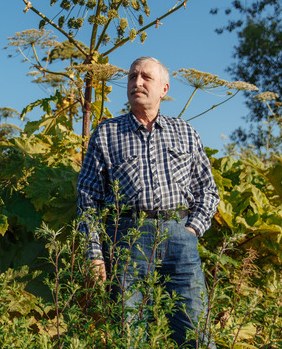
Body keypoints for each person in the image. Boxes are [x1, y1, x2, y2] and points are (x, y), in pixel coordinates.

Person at [77, 56, 219, 348]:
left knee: (196, 335)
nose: (136, 83)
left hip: (179, 237)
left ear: (164, 89)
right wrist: (94, 254)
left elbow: (208, 191)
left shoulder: (186, 132)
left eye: (146, 78)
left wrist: (191, 231)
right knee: (128, 334)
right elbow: (87, 197)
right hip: (127, 239)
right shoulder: (107, 133)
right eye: (132, 77)